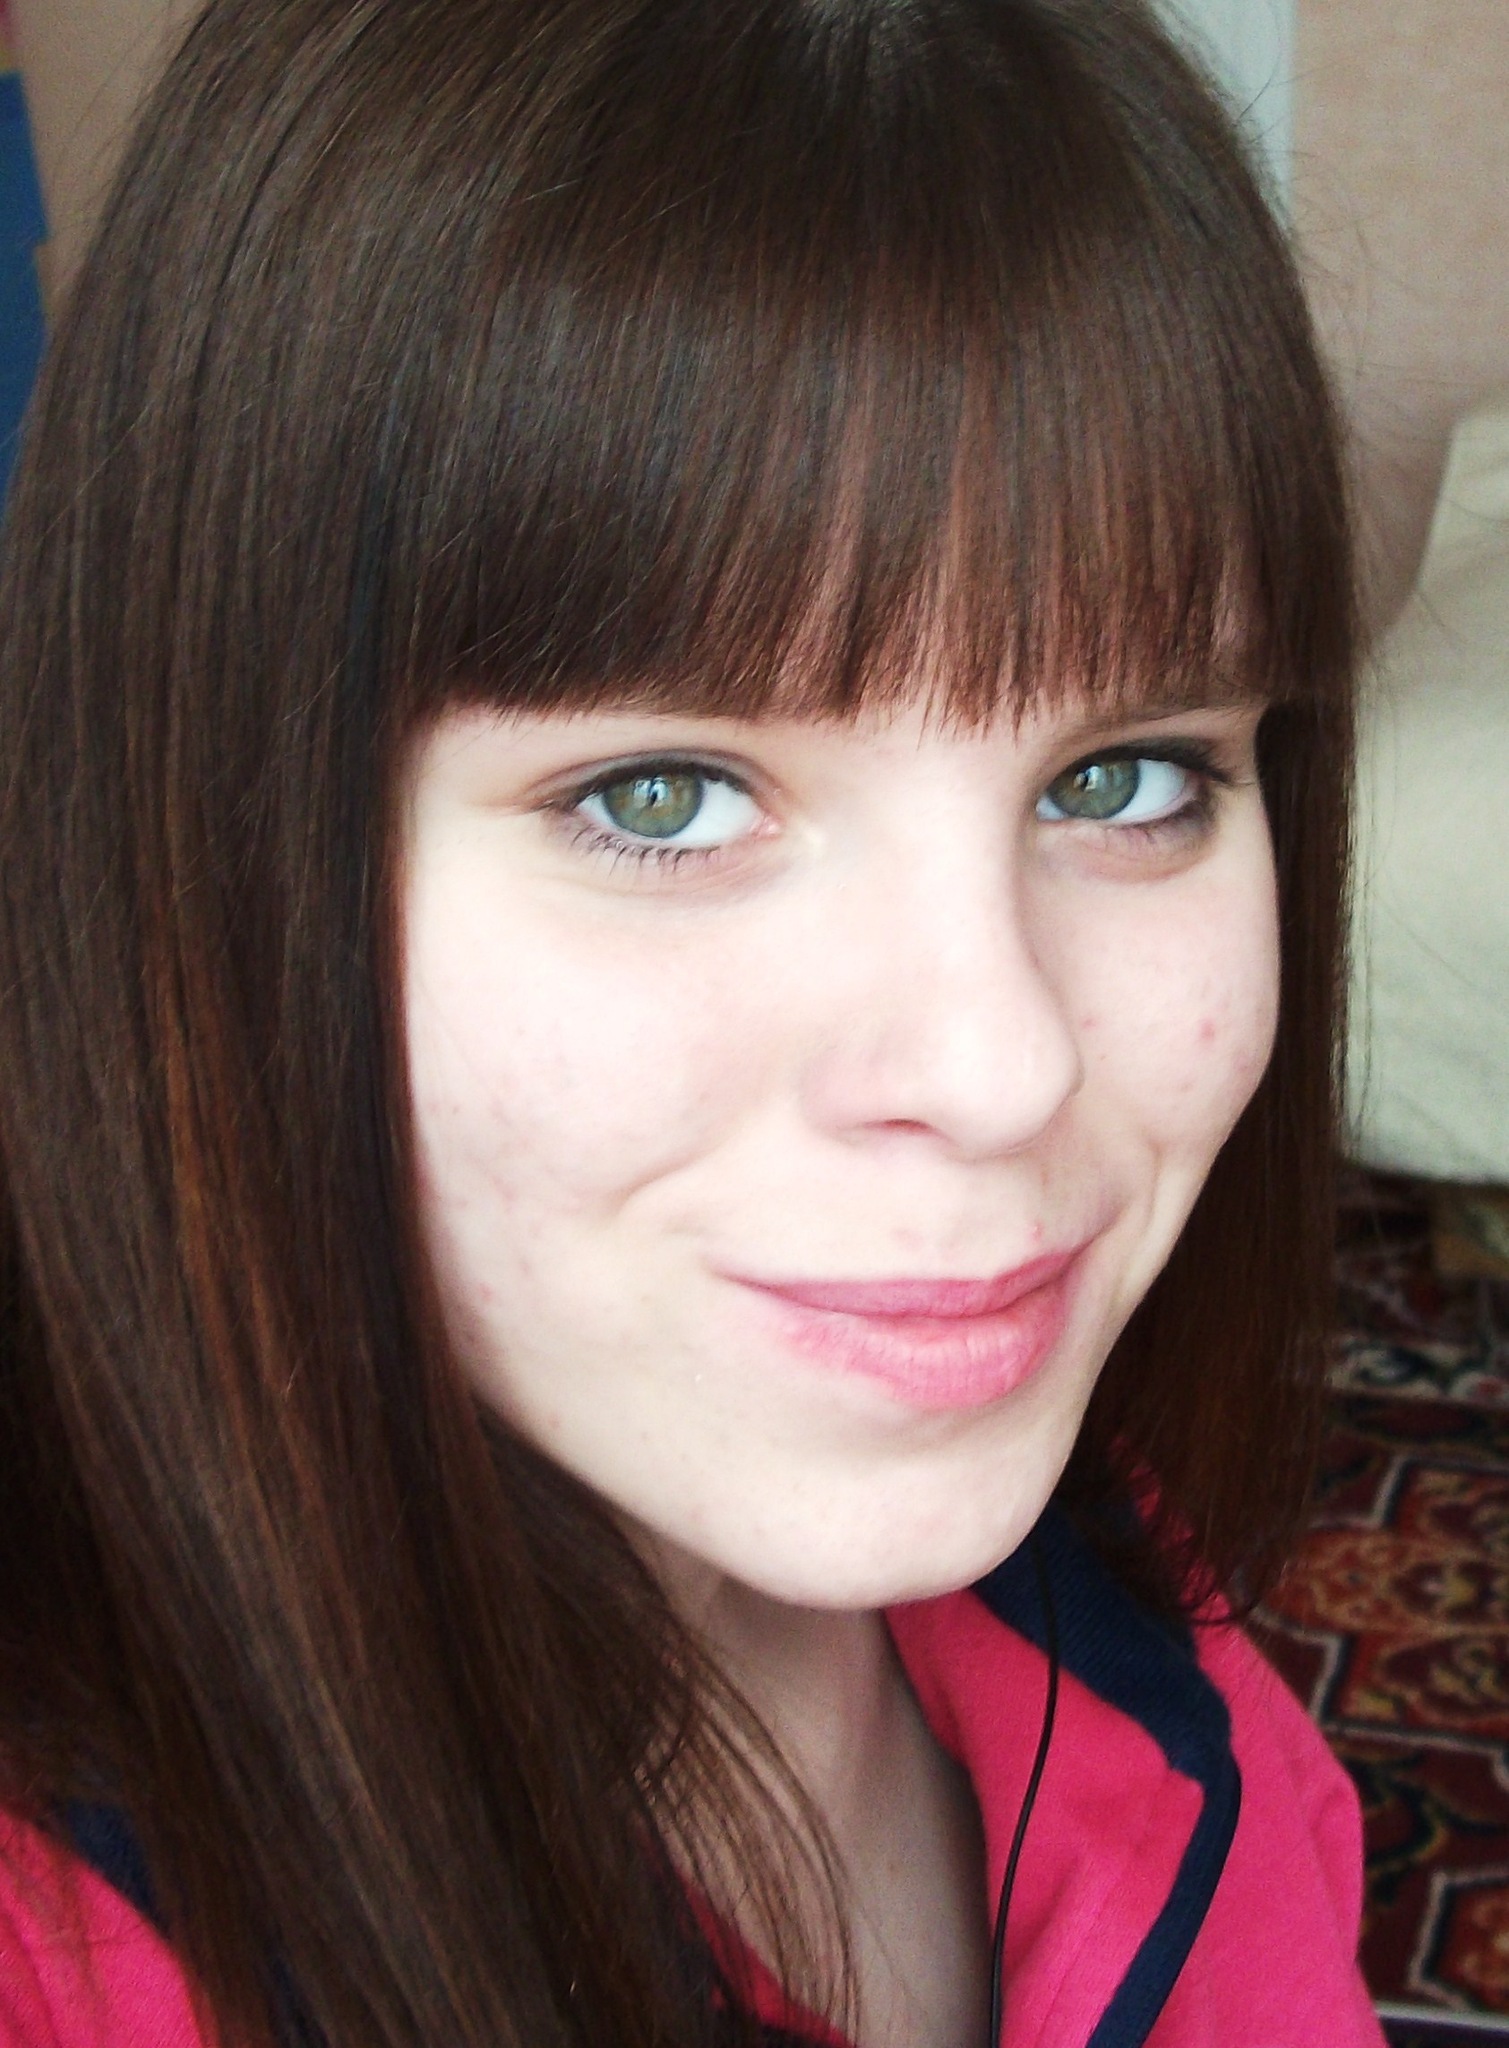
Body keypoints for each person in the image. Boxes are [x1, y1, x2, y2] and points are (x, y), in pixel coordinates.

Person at [0, 1, 1383, 2043]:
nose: (999, 1066)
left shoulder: (1123, 1626)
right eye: (663, 797)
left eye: (1123, 778)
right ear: (192, 834)